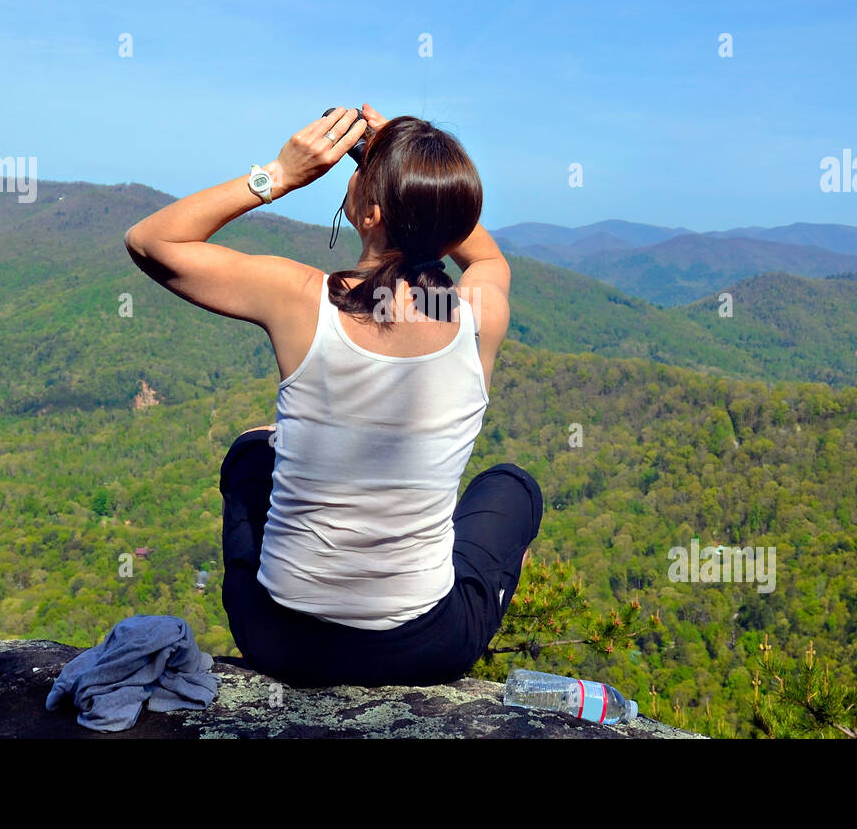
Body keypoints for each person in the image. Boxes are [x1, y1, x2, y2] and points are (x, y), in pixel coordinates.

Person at [124, 105, 543, 686]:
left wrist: (278, 174)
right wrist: (414, 179)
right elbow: (486, 257)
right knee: (512, 486)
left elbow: (150, 241)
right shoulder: (477, 315)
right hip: (428, 647)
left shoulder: (301, 298)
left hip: (281, 642)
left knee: (251, 450)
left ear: (368, 212)